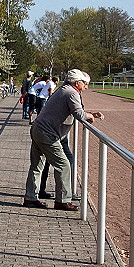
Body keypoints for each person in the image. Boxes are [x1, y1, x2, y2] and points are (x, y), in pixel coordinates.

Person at [23, 69, 104, 210]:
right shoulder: (71, 92)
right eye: (85, 84)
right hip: (47, 133)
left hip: (38, 128)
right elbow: (79, 114)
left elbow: (75, 110)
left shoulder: (64, 90)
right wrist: (90, 116)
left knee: (37, 166)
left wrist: (90, 114)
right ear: (77, 83)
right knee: (64, 165)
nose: (86, 87)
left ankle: (30, 197)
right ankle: (62, 200)